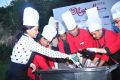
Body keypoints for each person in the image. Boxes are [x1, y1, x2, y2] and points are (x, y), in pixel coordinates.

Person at [7, 7, 76, 80]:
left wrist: (29, 64)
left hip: (16, 71)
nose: (38, 32)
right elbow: (48, 52)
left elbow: (17, 57)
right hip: (17, 74)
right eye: (35, 29)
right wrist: (67, 56)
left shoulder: (24, 38)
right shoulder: (27, 41)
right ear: (28, 29)